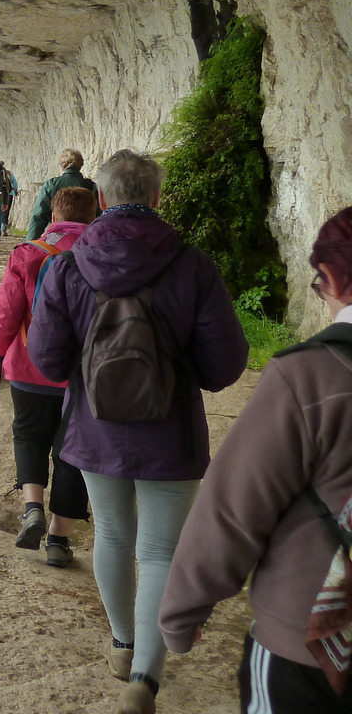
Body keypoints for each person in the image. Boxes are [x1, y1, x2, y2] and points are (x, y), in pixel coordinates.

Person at [26, 149, 248, 714]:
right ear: (156, 197)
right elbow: (224, 366)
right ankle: (145, 679)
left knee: (113, 535)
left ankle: (123, 644)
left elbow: (47, 360)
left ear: (101, 198)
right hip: (170, 432)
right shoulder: (193, 266)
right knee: (159, 550)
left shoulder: (68, 267)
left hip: (94, 429)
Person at [160, 206, 352, 714]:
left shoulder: (310, 377)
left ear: (332, 277)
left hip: (310, 645)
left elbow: (234, 509)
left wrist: (182, 612)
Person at [0, 187, 97, 567]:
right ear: (94, 217)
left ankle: (32, 508)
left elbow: (7, 309)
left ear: (53, 216)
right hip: (82, 374)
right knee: (74, 451)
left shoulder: (28, 253)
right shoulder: (102, 255)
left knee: (29, 435)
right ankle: (57, 539)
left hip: (29, 365)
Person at [26, 149, 98, 242]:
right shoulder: (91, 186)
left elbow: (39, 216)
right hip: (84, 237)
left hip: (56, 237)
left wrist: (30, 242)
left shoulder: (51, 185)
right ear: (80, 164)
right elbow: (98, 215)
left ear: (62, 165)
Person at [1, 170, 19, 237]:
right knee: (6, 211)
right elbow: (15, 183)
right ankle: (3, 228)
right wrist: (15, 190)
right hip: (9, 194)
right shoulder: (8, 173)